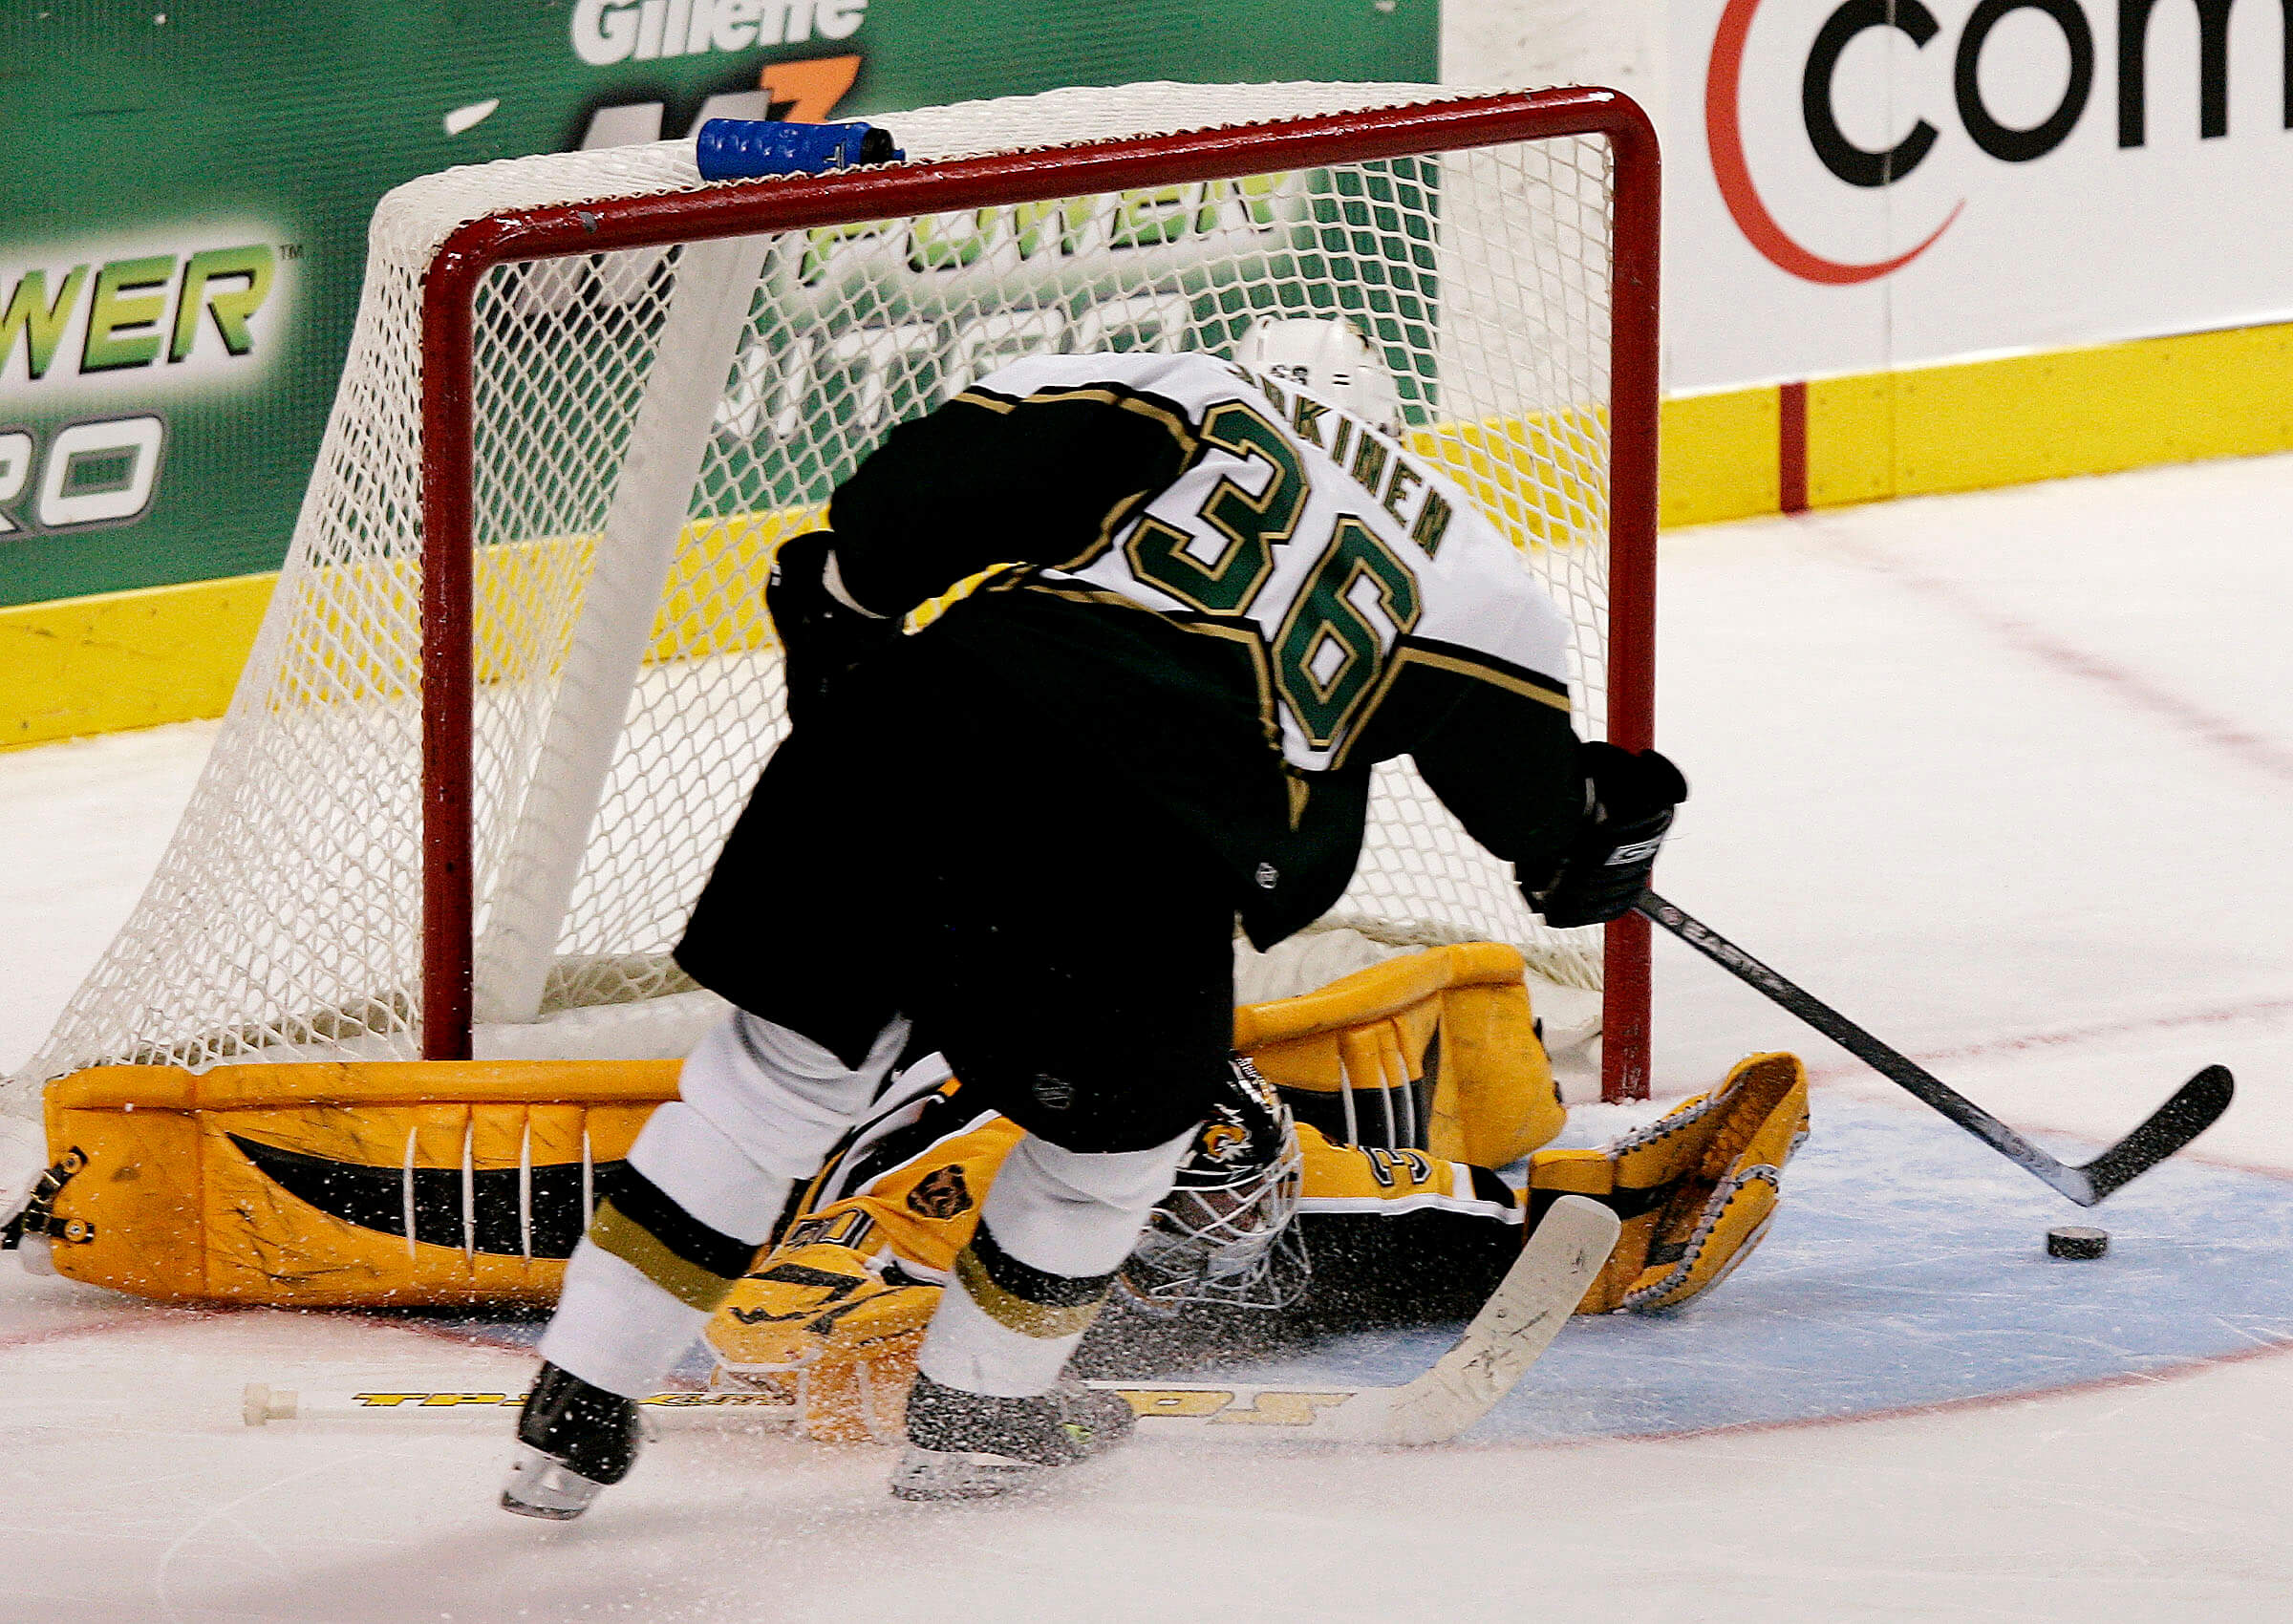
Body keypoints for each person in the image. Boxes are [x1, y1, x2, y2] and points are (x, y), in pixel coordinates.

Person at [502, 318, 1689, 1516]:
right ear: (1393, 427)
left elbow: (923, 489)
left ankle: (578, 1402)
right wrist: (1598, 833)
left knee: (771, 1082)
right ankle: (976, 1417)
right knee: (1110, 1151)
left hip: (919, 735)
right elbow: (1543, 815)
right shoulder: (1465, 567)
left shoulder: (1187, 386)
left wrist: (853, 605)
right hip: (1143, 844)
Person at [702, 1042, 1811, 1446]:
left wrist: (1645, 1210)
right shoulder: (943, 1195)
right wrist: (944, 1330)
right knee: (863, 1399)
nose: (1248, 1240)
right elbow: (751, 1336)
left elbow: (1524, 1235)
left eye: (1255, 1203)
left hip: (1106, 1115)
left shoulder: (1269, 1157)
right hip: (925, 1167)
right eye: (1212, 1219)